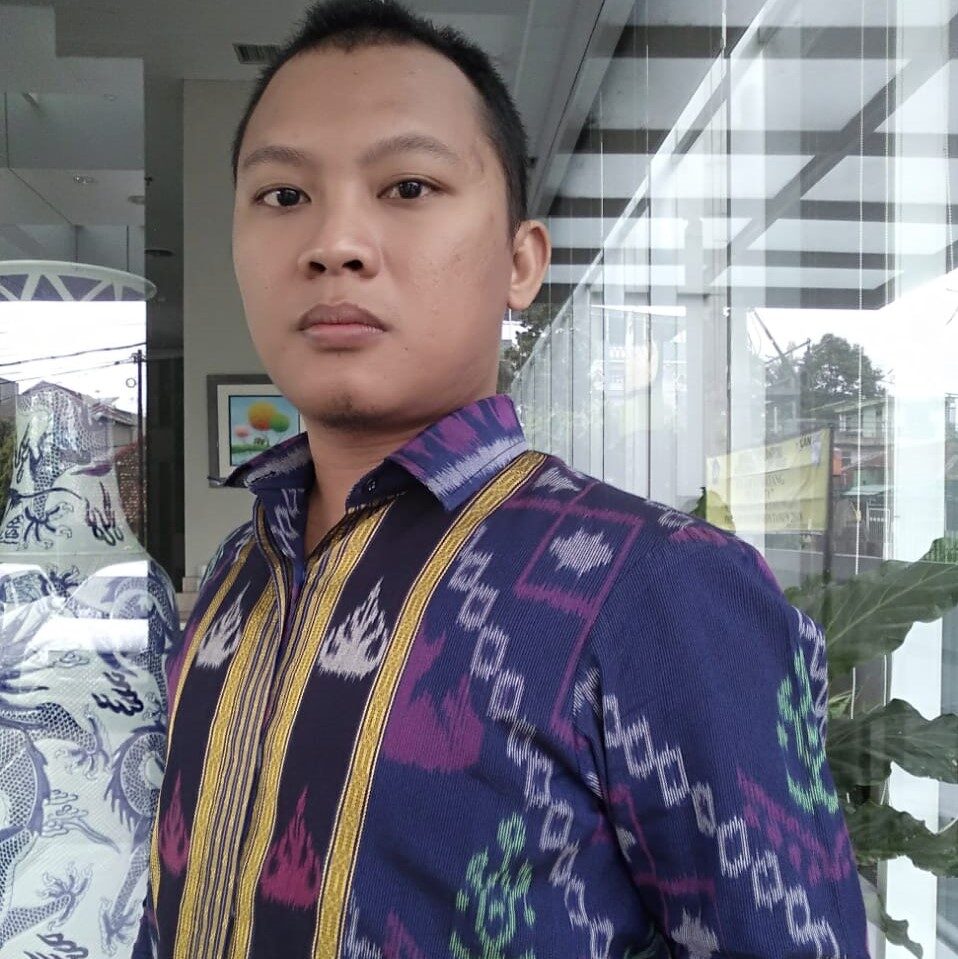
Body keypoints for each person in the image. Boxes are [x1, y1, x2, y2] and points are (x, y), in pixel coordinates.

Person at [141, 1, 870, 956]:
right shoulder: (238, 573)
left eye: (408, 186)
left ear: (521, 262)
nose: (334, 243)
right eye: (283, 196)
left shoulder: (660, 588)